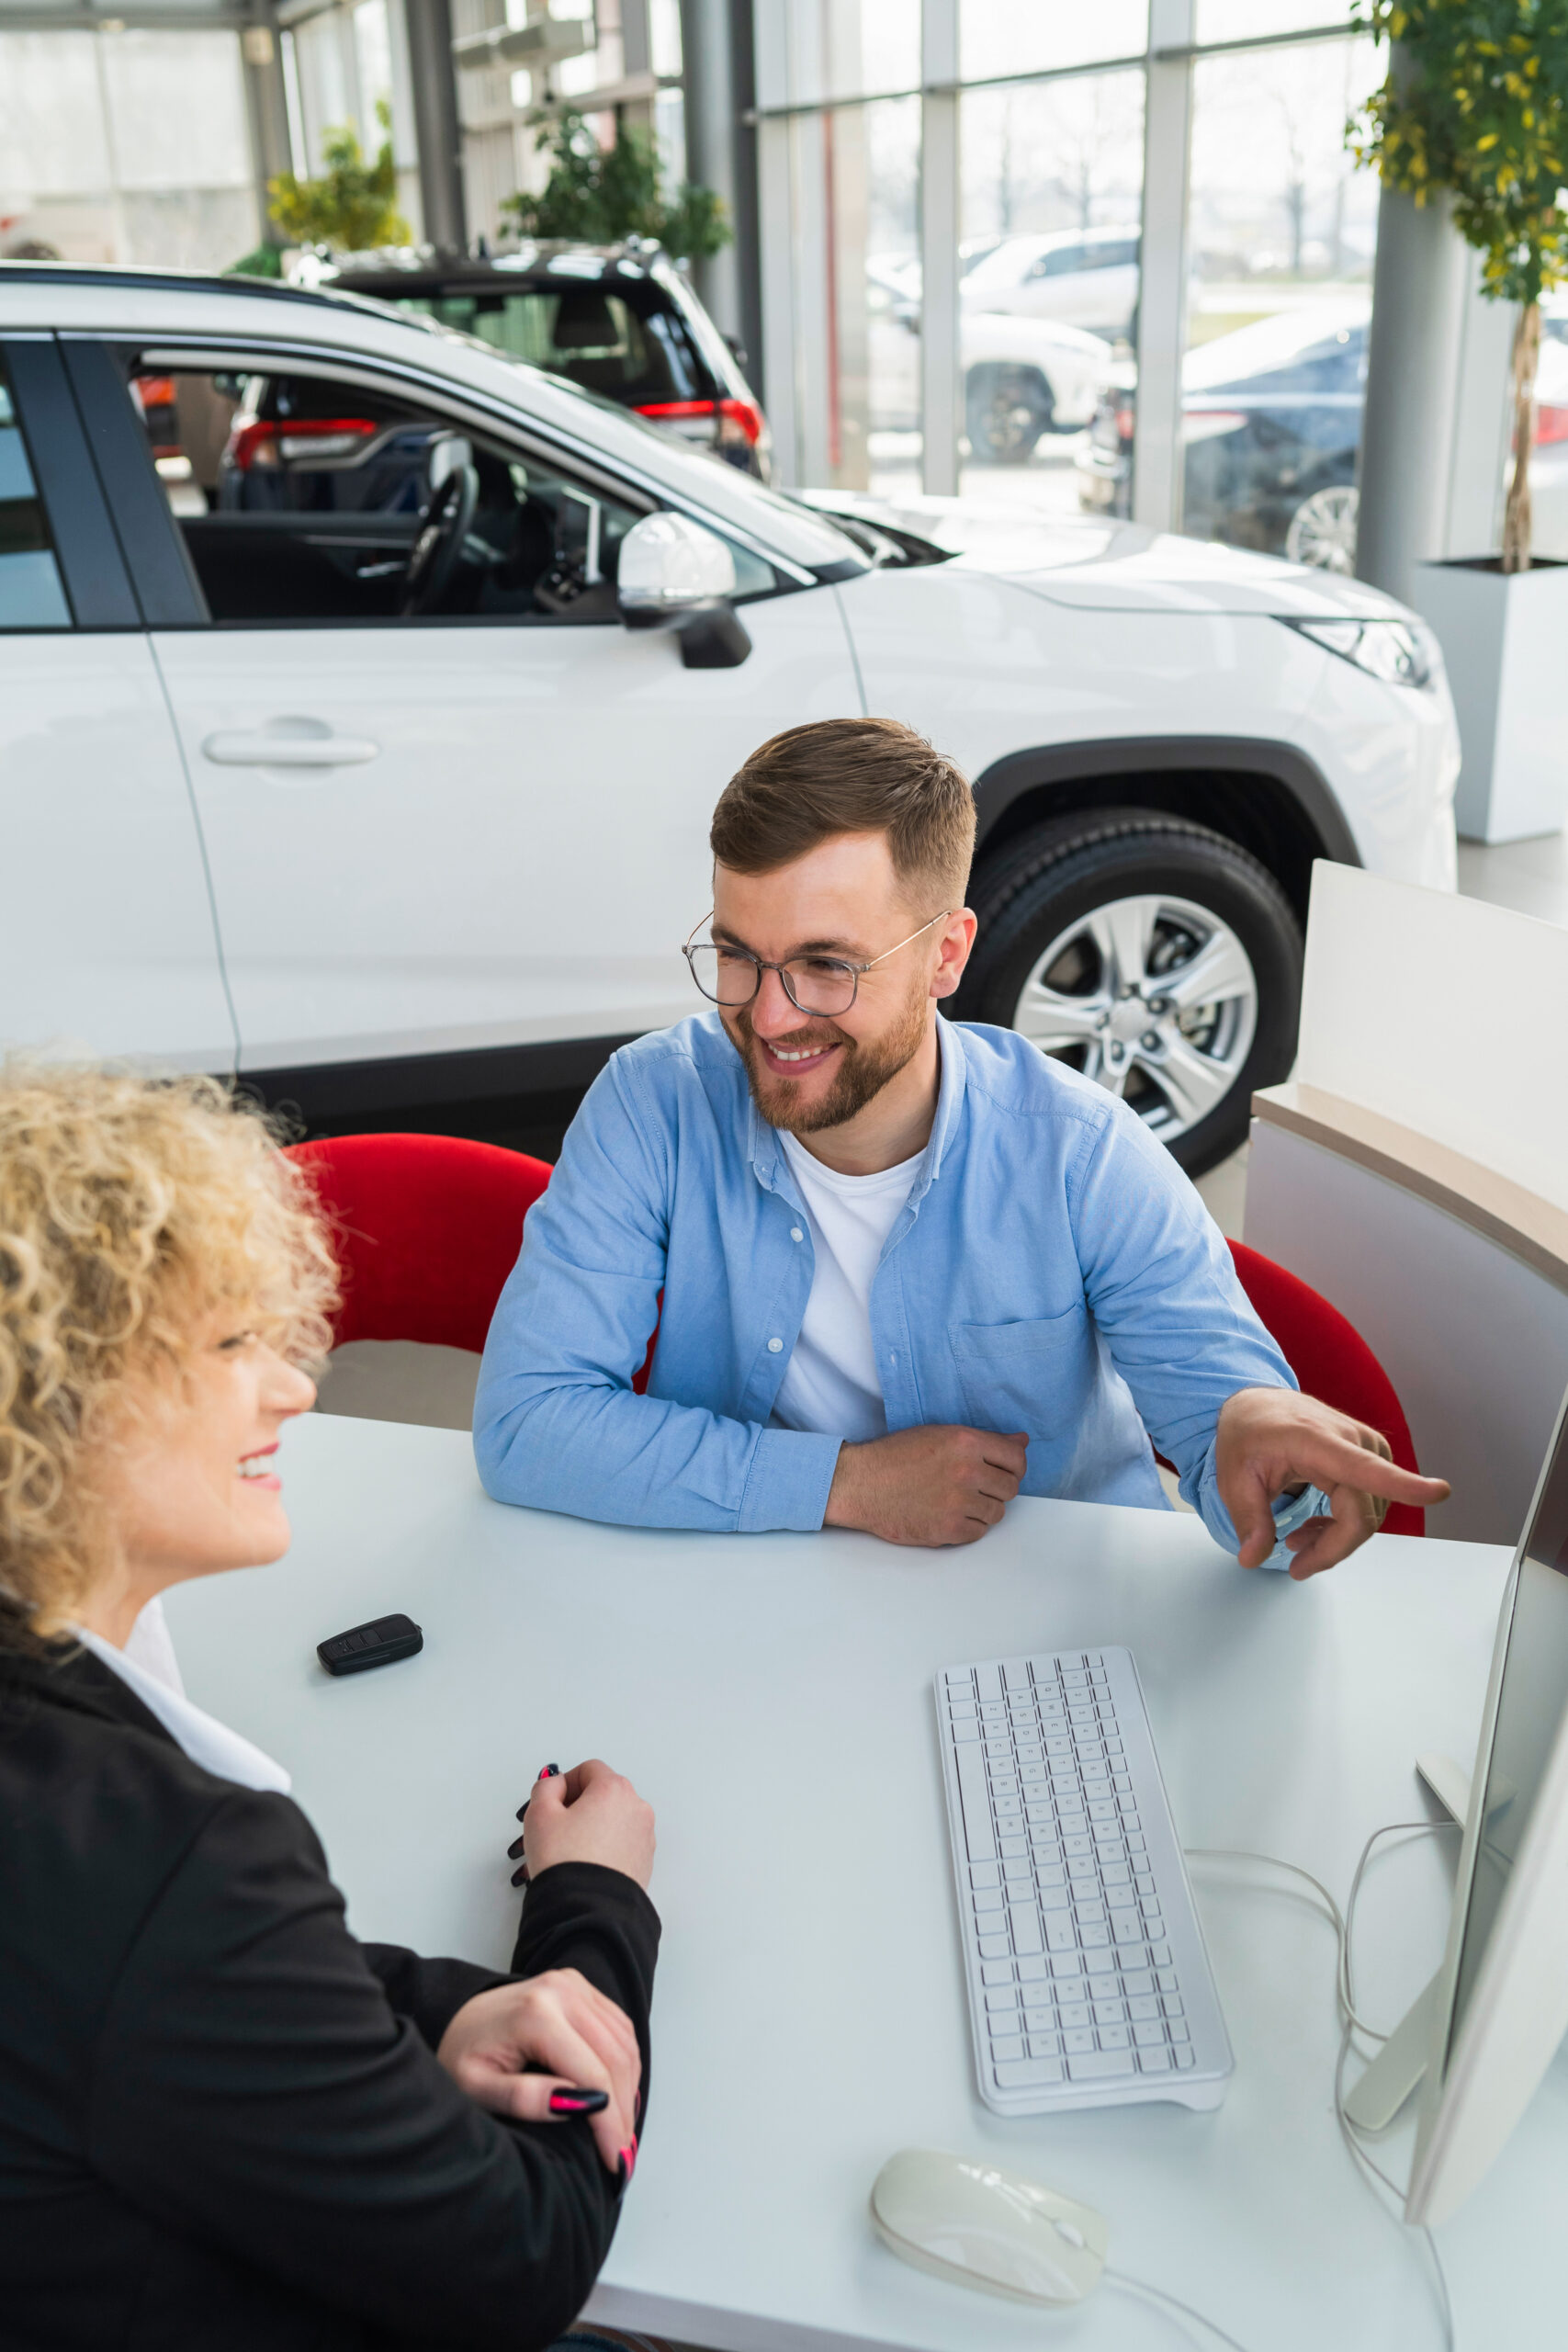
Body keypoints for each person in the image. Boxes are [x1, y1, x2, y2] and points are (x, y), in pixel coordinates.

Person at [0, 1063, 662, 2352]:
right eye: (228, 1347)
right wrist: (595, 1909)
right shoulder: (175, 1857)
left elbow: (133, 1991)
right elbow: (519, 2263)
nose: (296, 1388)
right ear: (58, 1399)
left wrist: (432, 2012)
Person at [475, 718, 1447, 1578]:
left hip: (1045, 1622)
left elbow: (1230, 1425)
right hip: (758, 1587)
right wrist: (847, 1485)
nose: (768, 1017)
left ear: (946, 955)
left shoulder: (1080, 1150)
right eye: (737, 955)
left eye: (825, 964)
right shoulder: (653, 1102)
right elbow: (527, 1423)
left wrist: (1255, 1437)